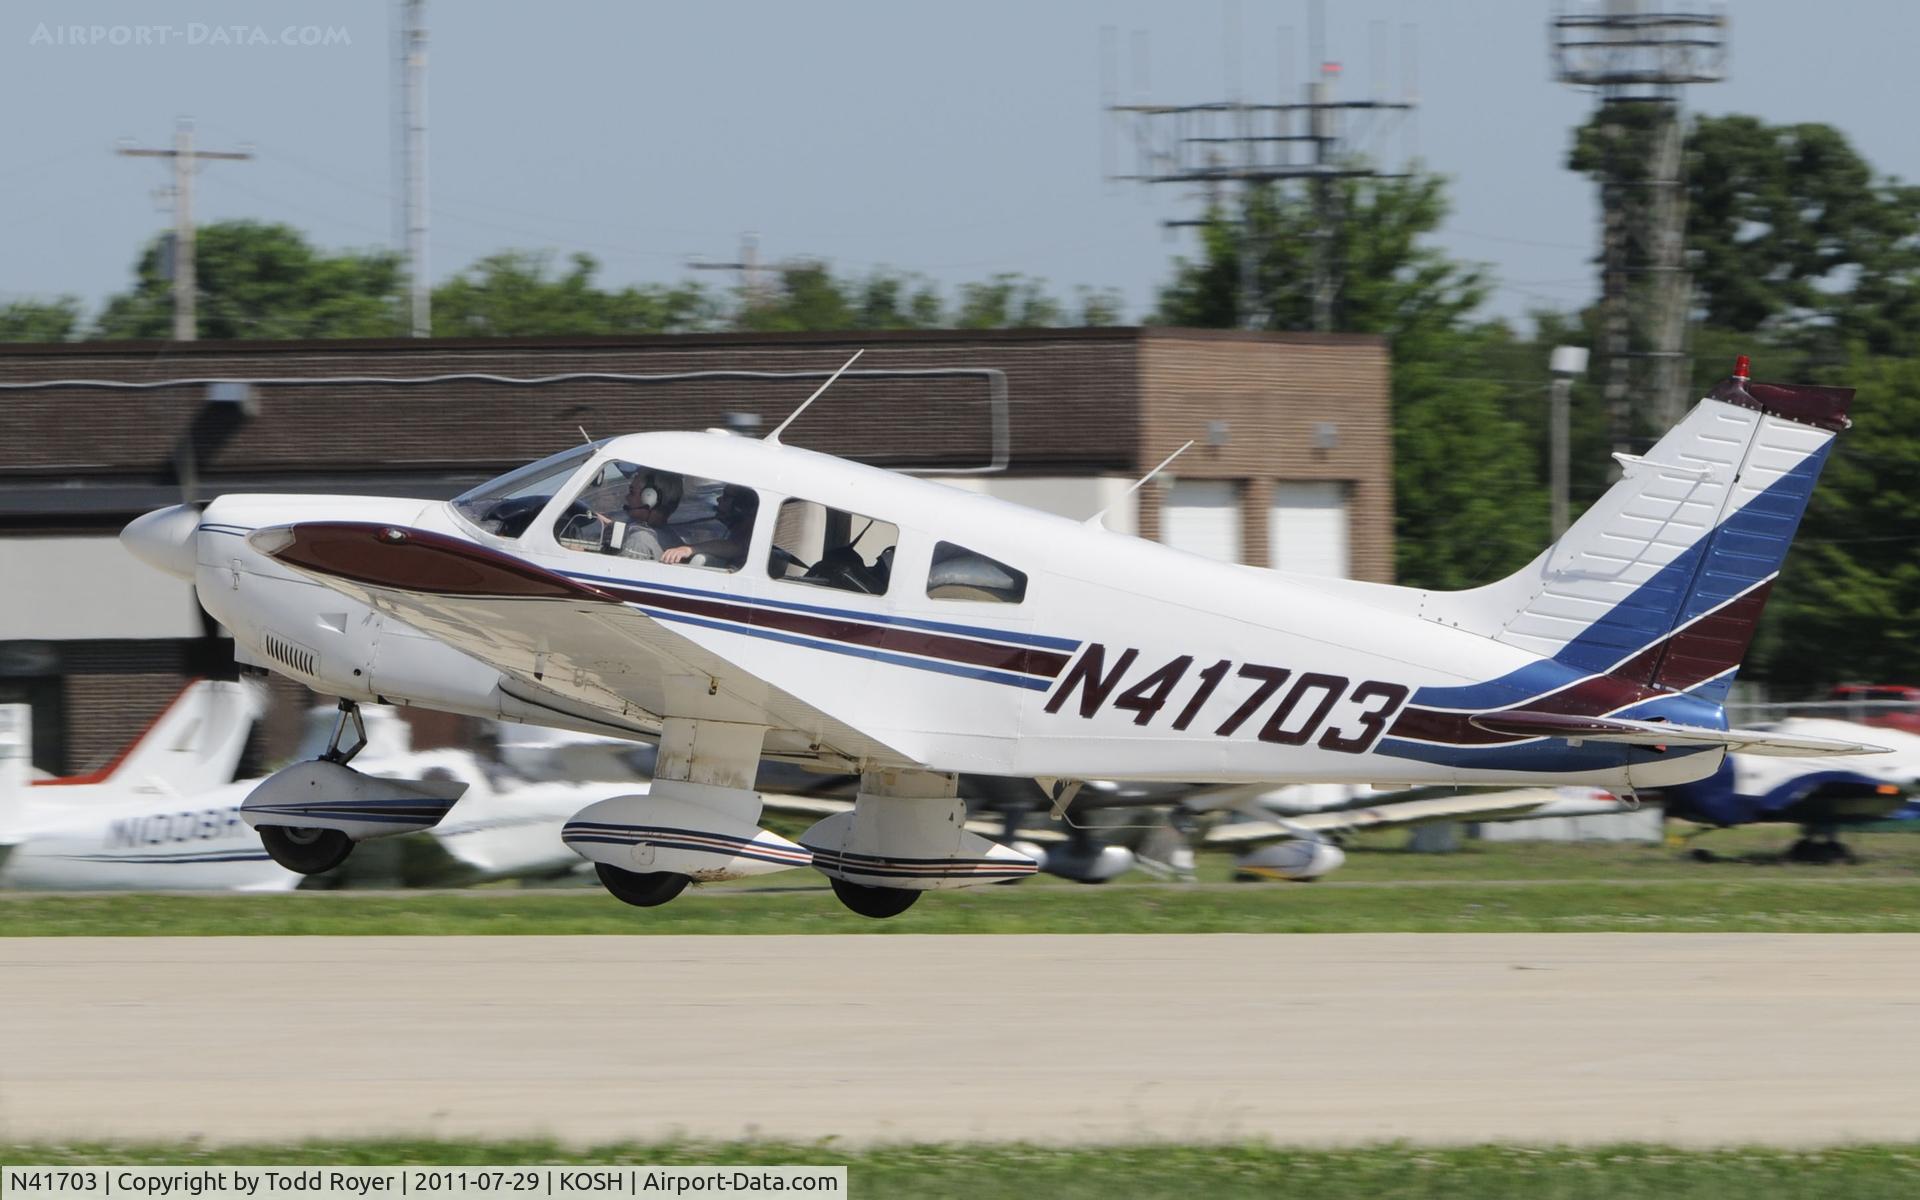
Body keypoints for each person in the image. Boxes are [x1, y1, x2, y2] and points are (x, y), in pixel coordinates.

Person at [660, 484, 757, 568]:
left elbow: (736, 547)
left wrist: (689, 550)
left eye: (726, 497)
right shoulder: (736, 533)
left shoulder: (748, 539)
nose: (718, 499)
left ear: (739, 507)